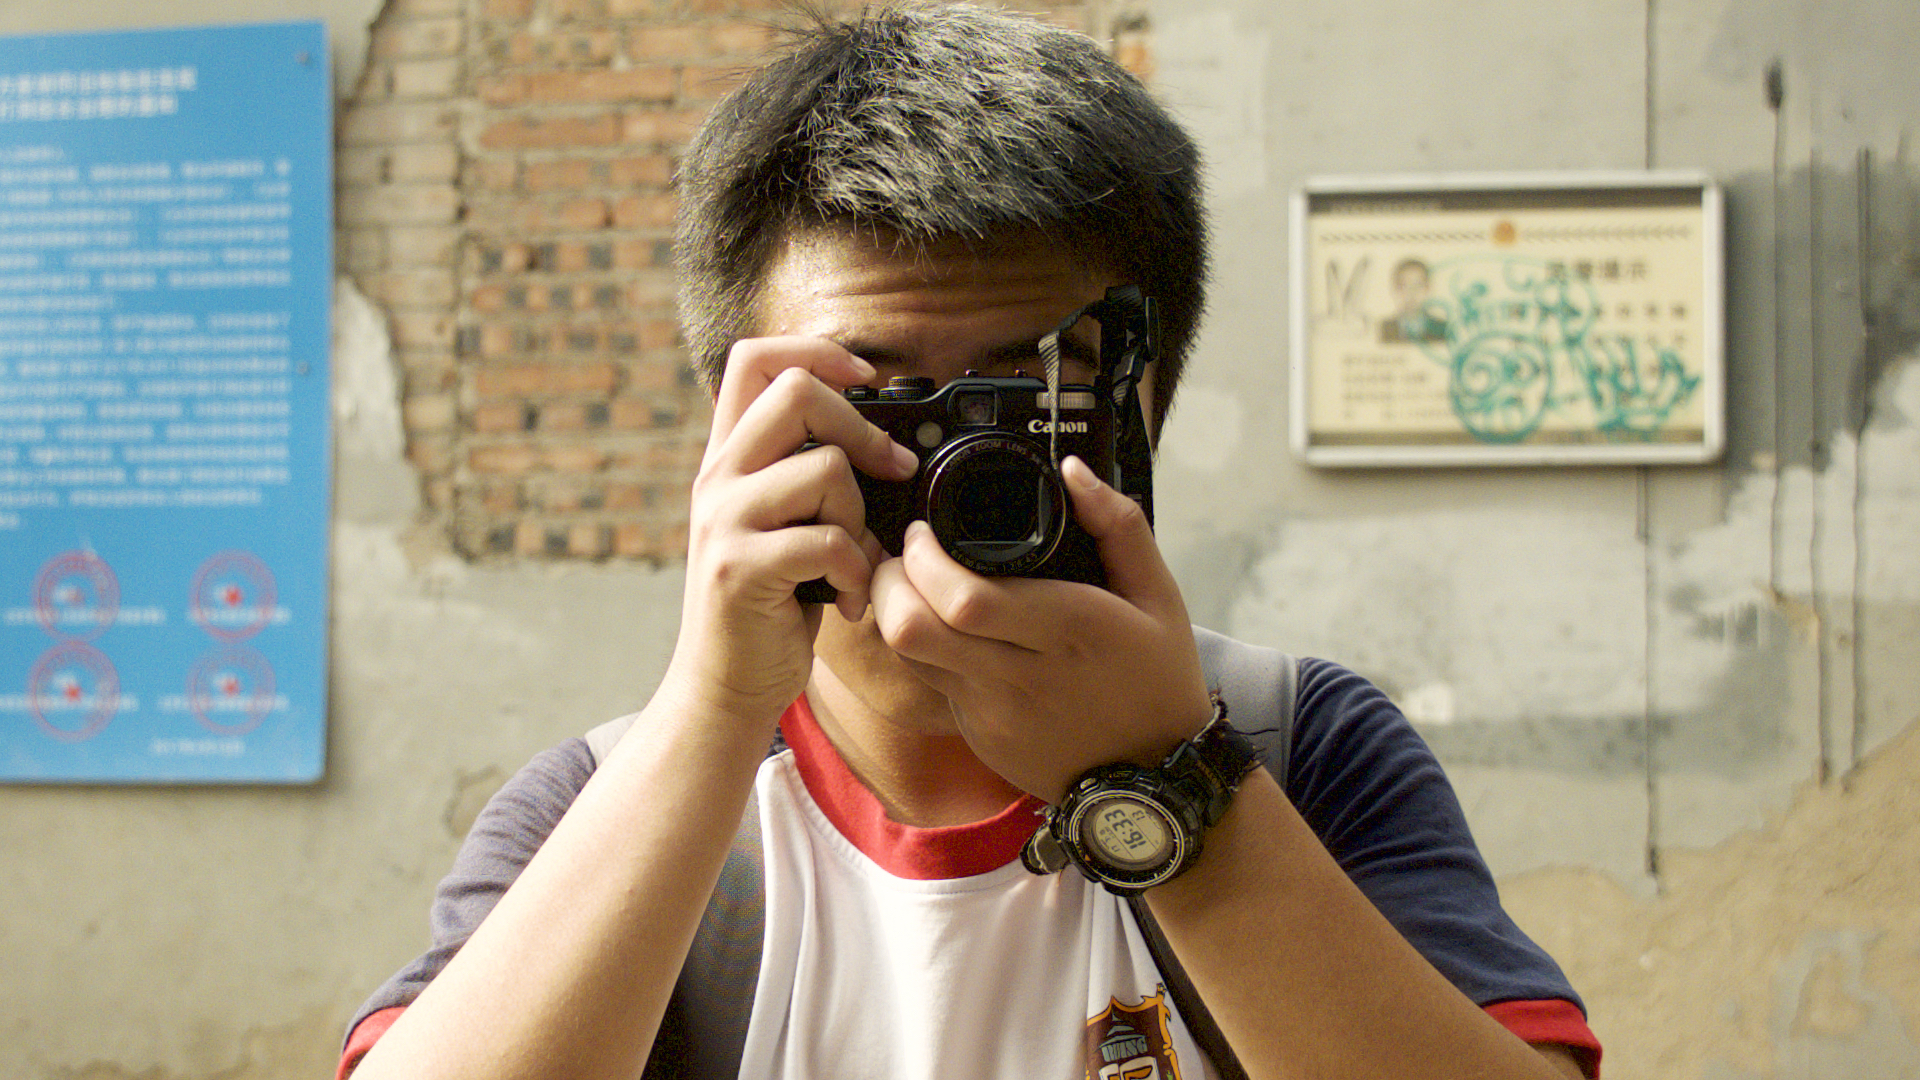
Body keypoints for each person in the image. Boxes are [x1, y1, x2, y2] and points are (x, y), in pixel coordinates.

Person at [339, 5, 1602, 1078]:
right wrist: (716, 709)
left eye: (1027, 401)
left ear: (1148, 411)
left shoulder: (1297, 750)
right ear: (739, 425)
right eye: (883, 405)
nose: (957, 475)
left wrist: (1169, 783)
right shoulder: (612, 807)